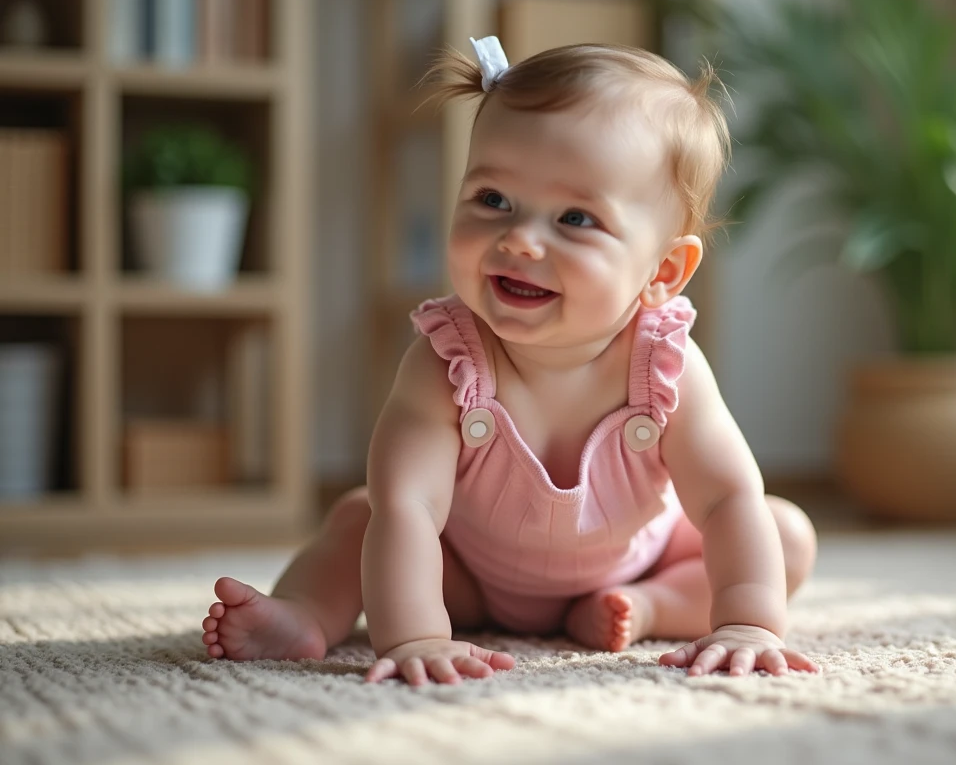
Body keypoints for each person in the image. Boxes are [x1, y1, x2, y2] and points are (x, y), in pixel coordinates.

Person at [201, 38, 819, 686]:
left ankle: (651, 607)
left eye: (576, 218)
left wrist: (748, 620)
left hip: (640, 562)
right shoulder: (444, 363)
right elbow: (408, 504)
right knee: (361, 516)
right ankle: (305, 616)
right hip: (469, 579)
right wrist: (415, 637)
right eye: (493, 199)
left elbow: (725, 499)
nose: (519, 239)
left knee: (784, 535)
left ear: (663, 271)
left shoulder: (667, 368)